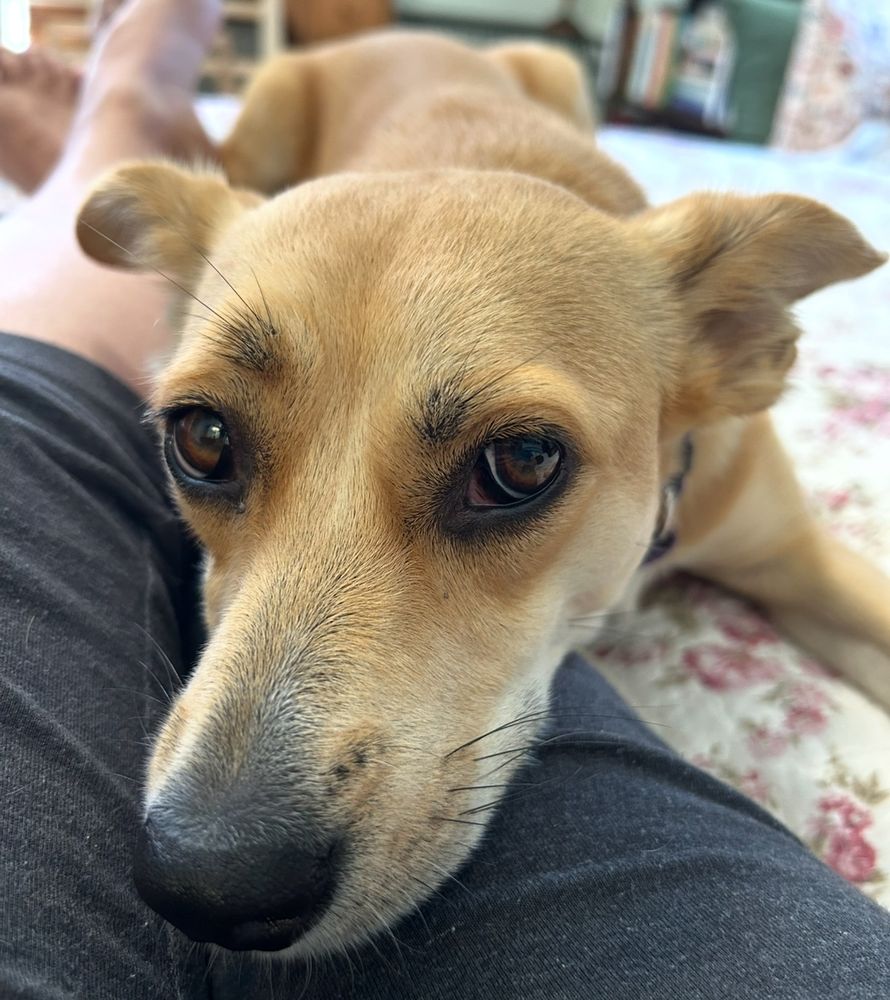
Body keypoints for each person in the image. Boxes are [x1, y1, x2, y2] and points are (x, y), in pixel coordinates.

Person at [0, 2, 888, 997]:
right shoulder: (309, 103)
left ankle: (108, 132)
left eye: (511, 465)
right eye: (211, 441)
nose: (215, 837)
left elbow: (820, 582)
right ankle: (124, 122)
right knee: (280, 97)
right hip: (331, 101)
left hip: (521, 126)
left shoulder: (685, 344)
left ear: (727, 336)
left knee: (549, 77)